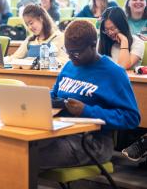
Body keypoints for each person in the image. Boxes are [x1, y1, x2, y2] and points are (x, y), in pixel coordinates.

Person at [38, 20, 140, 169]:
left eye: (76, 53)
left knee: (29, 156)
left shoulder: (114, 73)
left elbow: (131, 118)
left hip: (93, 142)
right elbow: (55, 94)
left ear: (93, 45)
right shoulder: (69, 66)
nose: (72, 58)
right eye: (68, 52)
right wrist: (40, 97)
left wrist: (86, 111)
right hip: (61, 131)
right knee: (17, 147)